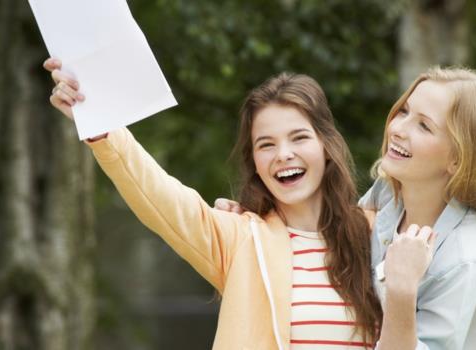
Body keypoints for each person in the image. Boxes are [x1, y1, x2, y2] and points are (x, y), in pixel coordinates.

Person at [44, 58, 435, 349]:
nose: (283, 154)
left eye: (298, 138)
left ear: (326, 146)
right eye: (266, 144)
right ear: (256, 163)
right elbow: (156, 194)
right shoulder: (238, 238)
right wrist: (99, 123)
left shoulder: (380, 233)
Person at [217, 66, 476, 350]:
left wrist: (402, 291)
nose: (398, 128)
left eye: (424, 126)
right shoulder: (389, 193)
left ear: (458, 158)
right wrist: (250, 218)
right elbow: (331, 232)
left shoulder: (464, 258)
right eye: (404, 111)